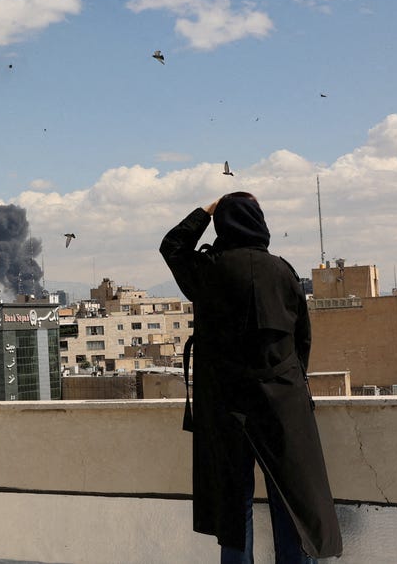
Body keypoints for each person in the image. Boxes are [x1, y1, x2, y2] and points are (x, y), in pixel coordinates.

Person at [160, 192, 342, 562]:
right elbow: (301, 340)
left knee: (234, 507)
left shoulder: (209, 269)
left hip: (226, 407)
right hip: (282, 403)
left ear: (224, 224)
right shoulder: (285, 272)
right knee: (291, 500)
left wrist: (207, 211)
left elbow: (172, 245)